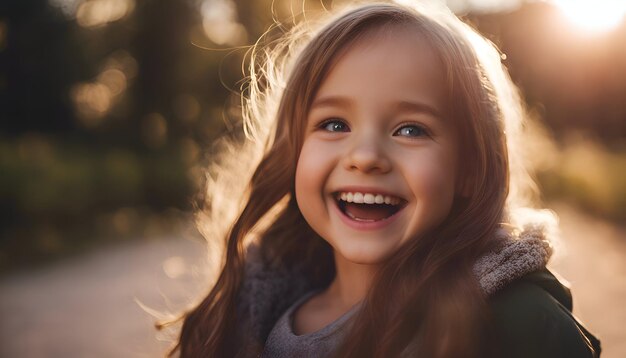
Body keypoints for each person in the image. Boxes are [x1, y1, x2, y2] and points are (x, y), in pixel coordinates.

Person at [167, 1, 601, 357]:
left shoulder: (520, 324)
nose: (366, 157)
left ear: (470, 169)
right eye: (334, 124)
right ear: (293, 151)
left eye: (411, 129)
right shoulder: (246, 316)